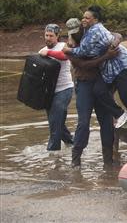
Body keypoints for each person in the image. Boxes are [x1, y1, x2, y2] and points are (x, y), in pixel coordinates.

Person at [41, 18, 119, 168]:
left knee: (107, 122)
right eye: (72, 34)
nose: (73, 38)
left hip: (102, 85)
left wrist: (114, 44)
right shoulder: (69, 48)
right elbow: (85, 64)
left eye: (76, 33)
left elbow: (117, 35)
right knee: (83, 123)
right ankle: (76, 159)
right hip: (84, 85)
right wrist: (106, 56)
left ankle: (108, 160)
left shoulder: (94, 37)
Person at [63, 6, 127, 130]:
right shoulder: (88, 31)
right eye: (83, 17)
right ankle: (120, 114)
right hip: (109, 69)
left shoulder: (95, 31)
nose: (84, 20)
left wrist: (67, 50)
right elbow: (113, 35)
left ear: (95, 19)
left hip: (122, 65)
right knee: (99, 91)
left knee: (125, 96)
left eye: (87, 18)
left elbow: (83, 51)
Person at [38, 24, 74, 152]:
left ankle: (53, 153)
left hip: (65, 89)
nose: (48, 38)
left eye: (51, 36)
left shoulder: (63, 47)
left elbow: (65, 56)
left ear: (57, 36)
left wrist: (48, 53)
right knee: (56, 122)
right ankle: (73, 143)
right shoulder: (41, 51)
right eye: (46, 35)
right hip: (49, 92)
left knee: (54, 122)